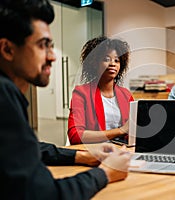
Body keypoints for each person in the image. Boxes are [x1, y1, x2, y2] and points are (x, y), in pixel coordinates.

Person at [0, 0, 131, 199]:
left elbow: (32, 149)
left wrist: (81, 156)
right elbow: (44, 194)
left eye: (51, 46)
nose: (52, 56)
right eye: (43, 45)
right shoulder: (4, 95)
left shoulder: (8, 93)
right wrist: (105, 173)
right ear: (7, 49)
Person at [68, 36, 134, 145]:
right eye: (106, 59)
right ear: (94, 63)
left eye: (117, 60)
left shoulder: (126, 95)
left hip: (122, 151)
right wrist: (120, 131)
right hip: (94, 154)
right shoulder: (81, 93)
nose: (113, 63)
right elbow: (75, 135)